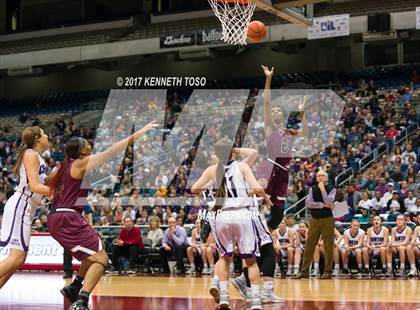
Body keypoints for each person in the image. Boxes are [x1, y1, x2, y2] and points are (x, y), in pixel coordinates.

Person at [48, 121, 158, 310]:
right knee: (102, 260)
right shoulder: (81, 162)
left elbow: (49, 187)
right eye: (86, 142)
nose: (89, 143)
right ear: (82, 150)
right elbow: (113, 150)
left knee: (91, 255)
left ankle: (74, 287)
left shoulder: (63, 168)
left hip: (55, 218)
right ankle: (82, 299)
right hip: (68, 217)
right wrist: (140, 132)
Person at [191, 138, 272, 310]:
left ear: (216, 153)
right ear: (232, 151)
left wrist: (213, 190)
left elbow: (194, 189)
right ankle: (256, 302)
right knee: (250, 261)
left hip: (222, 216)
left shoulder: (212, 170)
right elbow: (257, 188)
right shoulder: (242, 167)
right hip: (241, 214)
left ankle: (225, 299)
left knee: (224, 258)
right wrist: (264, 196)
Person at [257, 65, 307, 231]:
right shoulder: (270, 128)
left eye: (278, 110)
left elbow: (305, 132)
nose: (275, 112)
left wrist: (302, 113)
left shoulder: (289, 132)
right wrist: (268, 78)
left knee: (278, 217)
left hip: (283, 172)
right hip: (270, 167)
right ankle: (248, 234)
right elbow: (266, 102)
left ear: (283, 116)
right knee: (258, 204)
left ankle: (264, 236)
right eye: (274, 111)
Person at [0, 126, 52, 288]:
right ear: (37, 137)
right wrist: (57, 192)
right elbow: (35, 186)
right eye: (44, 134)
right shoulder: (30, 154)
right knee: (16, 257)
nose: (47, 136)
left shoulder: (39, 157)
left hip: (27, 207)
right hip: (21, 204)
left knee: (19, 259)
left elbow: (45, 183)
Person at [292, 169, 336, 279]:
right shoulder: (312, 188)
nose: (320, 177)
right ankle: (304, 272)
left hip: (328, 219)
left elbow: (329, 201)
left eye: (322, 176)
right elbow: (308, 204)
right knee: (309, 245)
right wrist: (322, 205)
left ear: (326, 178)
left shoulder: (332, 188)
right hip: (314, 219)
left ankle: (328, 272)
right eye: (318, 176)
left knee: (328, 246)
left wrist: (322, 190)